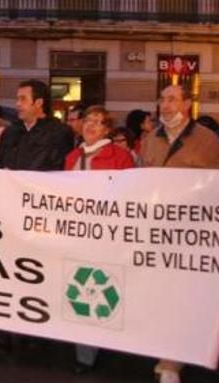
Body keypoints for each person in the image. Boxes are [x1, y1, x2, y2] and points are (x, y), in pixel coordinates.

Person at [138, 84, 219, 383]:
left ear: (187, 104)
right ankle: (163, 350)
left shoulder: (207, 141)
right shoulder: (150, 140)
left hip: (188, 234)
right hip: (155, 231)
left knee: (181, 297)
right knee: (159, 295)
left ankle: (172, 361)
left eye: (172, 99)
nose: (165, 105)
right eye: (162, 99)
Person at [64, 106, 134, 373]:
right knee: (81, 286)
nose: (90, 126)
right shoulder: (72, 156)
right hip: (77, 234)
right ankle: (85, 352)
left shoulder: (120, 156)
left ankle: (106, 343)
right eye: (88, 121)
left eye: (98, 122)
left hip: (107, 235)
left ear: (107, 129)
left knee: (103, 287)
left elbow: (129, 195)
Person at [0, 79, 74, 171]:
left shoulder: (59, 132)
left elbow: (59, 168)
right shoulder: (10, 132)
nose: (18, 104)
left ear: (38, 103)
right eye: (18, 99)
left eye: (23, 99)